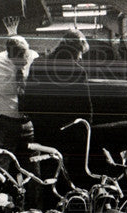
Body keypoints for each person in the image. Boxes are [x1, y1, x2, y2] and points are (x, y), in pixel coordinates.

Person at [22, 29, 93, 188]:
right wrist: (87, 128)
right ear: (76, 50)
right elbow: (85, 107)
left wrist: (35, 118)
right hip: (67, 128)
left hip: (42, 126)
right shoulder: (77, 71)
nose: (80, 58)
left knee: (48, 164)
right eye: (80, 53)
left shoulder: (38, 64)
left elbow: (28, 97)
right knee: (69, 166)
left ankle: (49, 203)